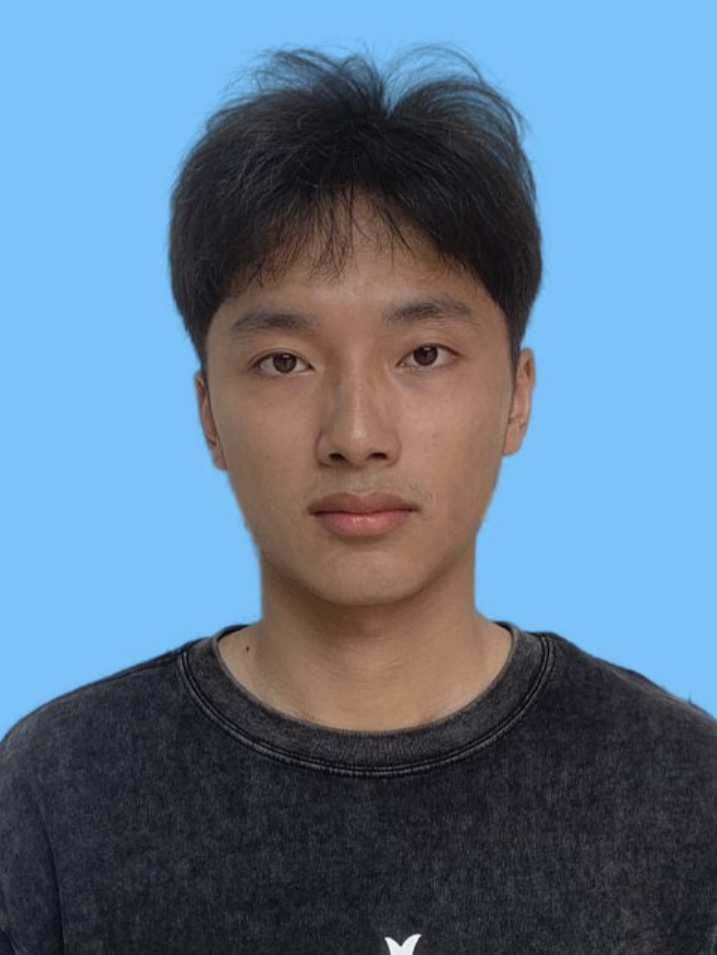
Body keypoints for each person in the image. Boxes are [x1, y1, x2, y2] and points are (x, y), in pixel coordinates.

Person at [1, 46, 715, 955]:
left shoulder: (680, 784)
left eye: (423, 354)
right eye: (284, 361)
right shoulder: (58, 788)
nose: (356, 432)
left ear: (517, 396)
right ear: (209, 414)